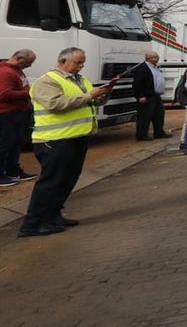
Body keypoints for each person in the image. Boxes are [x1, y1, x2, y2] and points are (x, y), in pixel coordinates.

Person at [17, 48, 112, 236]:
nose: (81, 65)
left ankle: (53, 215)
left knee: (67, 180)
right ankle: (32, 224)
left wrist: (101, 96)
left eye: (82, 62)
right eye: (78, 62)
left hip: (76, 137)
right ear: (63, 61)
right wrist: (89, 96)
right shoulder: (47, 81)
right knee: (51, 182)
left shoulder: (81, 80)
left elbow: (86, 103)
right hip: (54, 140)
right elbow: (55, 104)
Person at [0, 49, 39, 186]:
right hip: (6, 114)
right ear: (19, 59)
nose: (29, 66)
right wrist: (29, 92)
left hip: (17, 112)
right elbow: (4, 94)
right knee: (5, 144)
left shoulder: (15, 70)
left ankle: (13, 170)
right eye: (28, 63)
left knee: (15, 143)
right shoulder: (6, 72)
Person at [132, 51, 170, 140]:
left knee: (159, 114)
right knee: (145, 116)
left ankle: (159, 133)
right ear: (149, 58)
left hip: (156, 95)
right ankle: (142, 135)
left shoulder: (156, 68)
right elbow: (137, 83)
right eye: (156, 57)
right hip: (147, 95)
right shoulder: (142, 68)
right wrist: (140, 96)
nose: (158, 58)